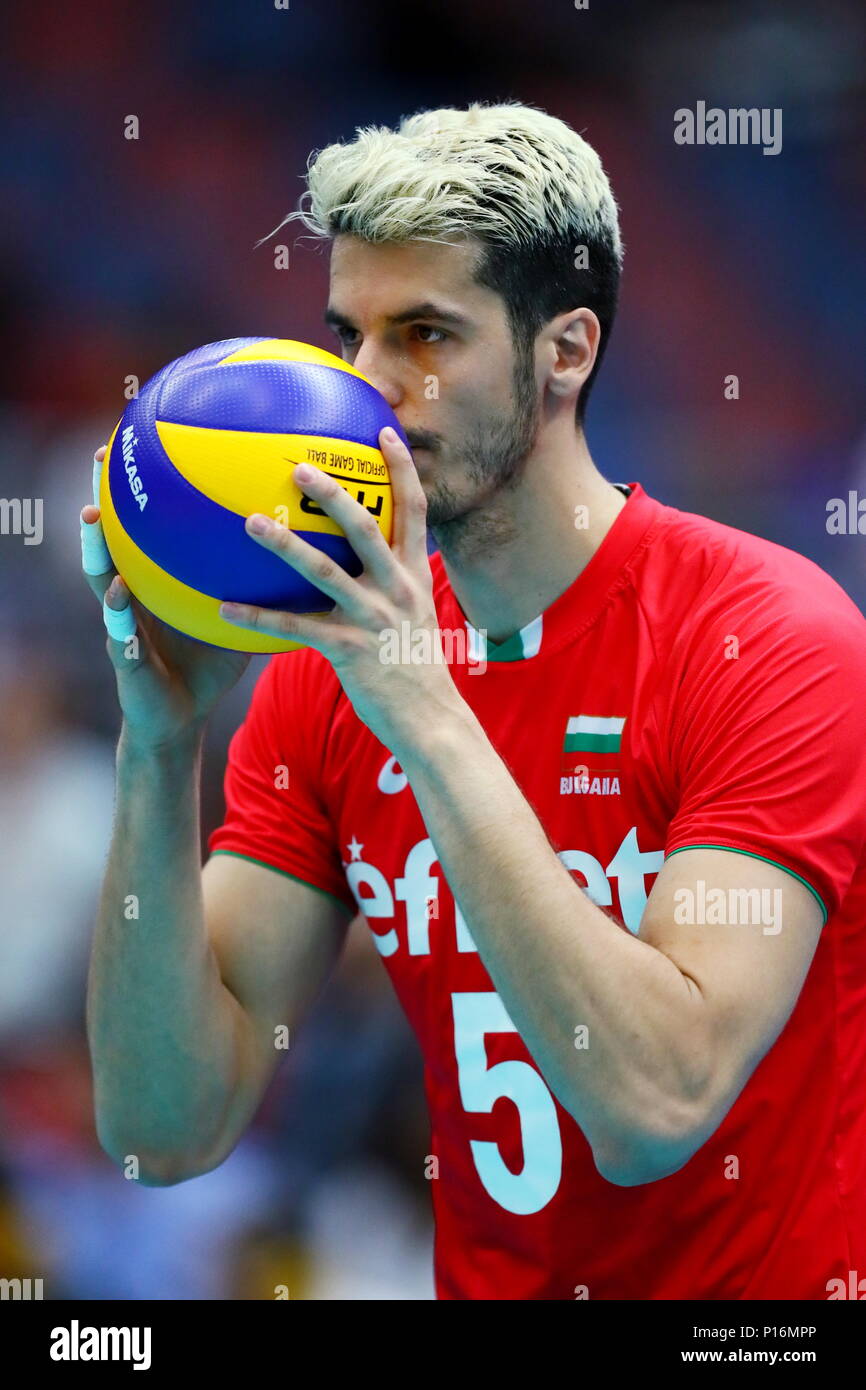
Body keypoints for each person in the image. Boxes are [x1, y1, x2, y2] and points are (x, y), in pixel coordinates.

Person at [83, 101, 866, 1300]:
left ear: (566, 351)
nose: (368, 389)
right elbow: (161, 1132)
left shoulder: (770, 639)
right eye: (349, 334)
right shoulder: (327, 675)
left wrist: (425, 707)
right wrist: (159, 744)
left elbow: (655, 1102)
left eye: (425, 336)